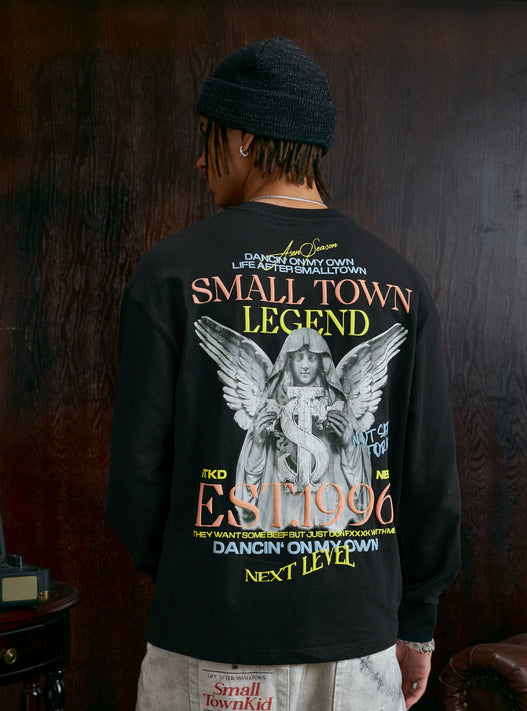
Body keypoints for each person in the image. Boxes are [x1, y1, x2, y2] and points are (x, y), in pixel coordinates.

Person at [108, 37, 461, 711]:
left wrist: (196, 569)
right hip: (356, 638)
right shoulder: (399, 284)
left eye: (207, 138)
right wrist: (417, 618)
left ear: (243, 137)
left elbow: (135, 477)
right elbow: (427, 476)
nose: (199, 160)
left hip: (214, 630)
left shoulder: (171, 273)